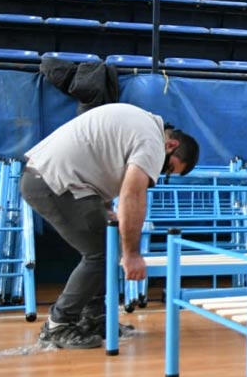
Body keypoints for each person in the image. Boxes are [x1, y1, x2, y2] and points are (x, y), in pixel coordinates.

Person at [19, 103, 200, 349]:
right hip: (53, 182)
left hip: (54, 179)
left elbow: (99, 159)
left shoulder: (144, 122)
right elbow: (132, 195)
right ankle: (57, 325)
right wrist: (132, 254)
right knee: (101, 254)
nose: (161, 173)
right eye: (168, 168)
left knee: (103, 249)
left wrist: (104, 208)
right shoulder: (152, 142)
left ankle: (94, 318)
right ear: (171, 145)